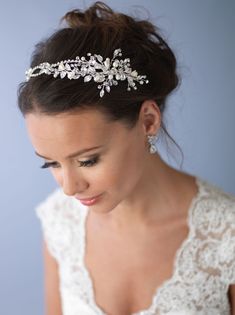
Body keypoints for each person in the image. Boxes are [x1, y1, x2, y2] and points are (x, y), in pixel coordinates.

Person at [17, 2, 235, 315]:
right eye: (51, 163)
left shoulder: (228, 237)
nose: (69, 188)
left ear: (148, 120)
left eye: (88, 160)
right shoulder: (59, 221)